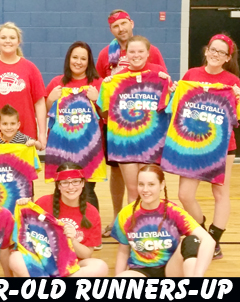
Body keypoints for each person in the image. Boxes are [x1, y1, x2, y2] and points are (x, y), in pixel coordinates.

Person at [96, 9, 167, 238]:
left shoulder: (150, 50)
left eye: (124, 24)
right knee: (119, 175)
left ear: (131, 23)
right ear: (111, 30)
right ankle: (121, 219)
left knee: (150, 179)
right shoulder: (106, 54)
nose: (121, 29)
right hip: (118, 129)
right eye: (116, 26)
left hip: (148, 130)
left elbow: (163, 83)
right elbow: (99, 86)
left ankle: (154, 224)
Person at [175, 34, 240, 260]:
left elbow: (234, 115)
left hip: (222, 145)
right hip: (193, 143)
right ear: (206, 51)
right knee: (184, 194)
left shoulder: (232, 81)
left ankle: (214, 240)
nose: (216, 54)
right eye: (213, 49)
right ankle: (203, 234)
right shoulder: (191, 75)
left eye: (221, 52)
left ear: (227, 58)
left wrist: (238, 96)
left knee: (220, 192)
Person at [112, 164, 215, 277]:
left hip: (171, 269)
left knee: (192, 241)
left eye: (151, 184)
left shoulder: (174, 212)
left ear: (162, 185)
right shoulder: (126, 214)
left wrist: (198, 274)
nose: (145, 190)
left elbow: (209, 241)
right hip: (140, 271)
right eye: (141, 184)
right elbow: (123, 251)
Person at [9, 162, 109, 277]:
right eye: (65, 183)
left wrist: (72, 240)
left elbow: (86, 254)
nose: (71, 187)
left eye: (76, 181)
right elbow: (22, 232)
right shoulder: (43, 203)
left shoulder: (92, 213)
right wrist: (24, 207)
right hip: (43, 260)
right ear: (58, 185)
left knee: (100, 266)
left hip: (72, 265)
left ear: (83, 183)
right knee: (15, 258)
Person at [45, 41, 105, 211]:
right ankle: (63, 227)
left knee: (87, 190)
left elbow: (106, 116)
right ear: (68, 59)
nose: (78, 62)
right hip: (62, 148)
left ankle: (91, 227)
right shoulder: (57, 83)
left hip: (89, 149)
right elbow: (45, 113)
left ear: (89, 61)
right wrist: (50, 99)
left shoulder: (98, 83)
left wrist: (97, 100)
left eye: (83, 58)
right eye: (75, 57)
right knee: (63, 189)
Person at [0, 22, 47, 152]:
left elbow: (39, 103)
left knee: (23, 172)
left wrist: (42, 133)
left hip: (25, 139)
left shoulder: (30, 68)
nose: (8, 41)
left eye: (12, 38)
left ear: (18, 41)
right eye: (4, 37)